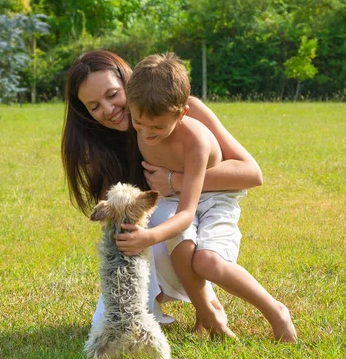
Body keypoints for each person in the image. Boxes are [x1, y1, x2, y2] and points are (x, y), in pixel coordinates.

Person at [62, 50, 263, 336]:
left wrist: (175, 180)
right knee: (111, 325)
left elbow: (251, 173)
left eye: (112, 94)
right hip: (157, 231)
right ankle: (199, 303)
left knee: (172, 229)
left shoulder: (183, 111)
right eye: (94, 106)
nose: (107, 109)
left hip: (193, 216)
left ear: (128, 84)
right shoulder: (97, 148)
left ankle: (204, 304)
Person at [116, 52, 297, 342]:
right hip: (176, 198)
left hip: (213, 197)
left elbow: (187, 212)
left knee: (207, 262)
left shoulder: (195, 140)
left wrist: (149, 237)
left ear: (182, 112)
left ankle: (276, 311)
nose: (147, 133)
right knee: (181, 247)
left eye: (158, 127)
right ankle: (209, 317)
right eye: (139, 124)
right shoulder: (143, 113)